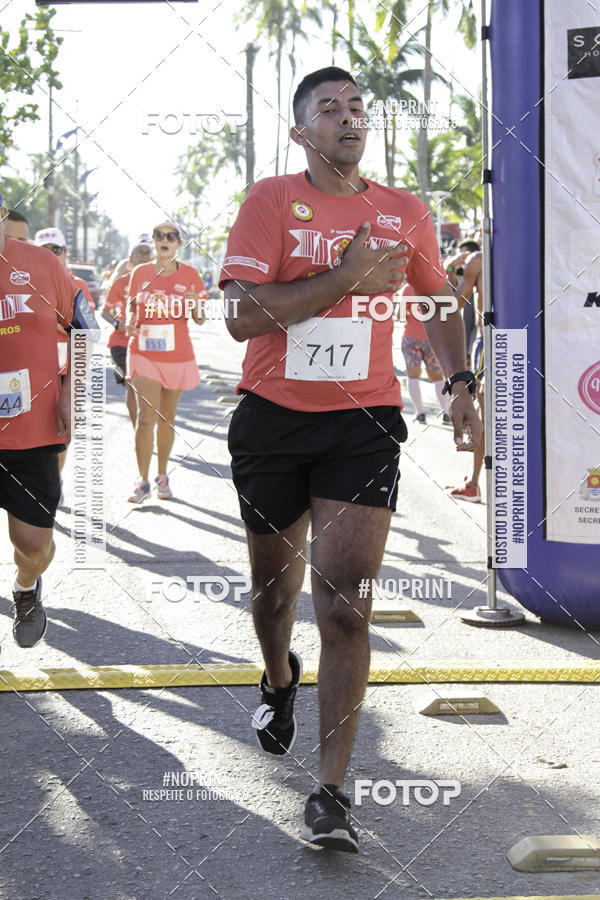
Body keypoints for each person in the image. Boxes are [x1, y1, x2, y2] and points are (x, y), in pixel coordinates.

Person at [219, 66, 482, 853]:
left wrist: (459, 381)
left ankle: (331, 791)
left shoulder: (405, 212)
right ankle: (276, 677)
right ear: (302, 132)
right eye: (328, 109)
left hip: (363, 424)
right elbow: (238, 316)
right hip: (272, 421)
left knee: (343, 603)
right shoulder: (271, 201)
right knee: (273, 597)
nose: (348, 117)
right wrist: (345, 278)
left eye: (358, 107)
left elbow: (436, 302)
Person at [0, 189, 79, 648]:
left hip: (32, 434)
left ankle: (26, 587)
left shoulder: (41, 265)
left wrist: (71, 386)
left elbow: (83, 327)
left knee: (33, 547)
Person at [125, 221, 206, 503]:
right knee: (146, 417)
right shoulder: (140, 273)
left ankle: (162, 476)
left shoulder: (192, 275)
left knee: (166, 419)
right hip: (143, 352)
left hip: (177, 355)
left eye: (171, 236)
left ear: (179, 244)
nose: (165, 240)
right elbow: (132, 306)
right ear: (154, 241)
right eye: (159, 235)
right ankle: (142, 480)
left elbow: (200, 318)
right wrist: (129, 322)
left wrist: (195, 303)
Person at [34, 227, 97, 504]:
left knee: (64, 434)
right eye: (44, 250)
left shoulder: (78, 285)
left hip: (67, 370)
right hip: (35, 372)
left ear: (65, 253)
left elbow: (87, 331)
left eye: (55, 250)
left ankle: (54, 479)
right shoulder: (24, 280)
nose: (51, 255)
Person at [101, 237, 153, 427]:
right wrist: (117, 323)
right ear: (132, 257)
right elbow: (105, 311)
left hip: (150, 344)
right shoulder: (121, 282)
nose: (145, 256)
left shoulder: (160, 281)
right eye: (141, 252)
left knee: (149, 389)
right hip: (121, 344)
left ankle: (146, 425)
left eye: (148, 252)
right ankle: (137, 430)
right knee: (132, 386)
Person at [447, 250, 484, 502]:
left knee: (487, 414)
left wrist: (449, 269)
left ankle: (473, 483)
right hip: (538, 340)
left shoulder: (479, 259)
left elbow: (452, 304)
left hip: (494, 341)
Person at [399, 283, 450, 425]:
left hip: (410, 336)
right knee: (438, 376)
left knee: (413, 376)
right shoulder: (436, 286)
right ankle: (445, 413)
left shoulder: (408, 288)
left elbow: (400, 315)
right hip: (432, 337)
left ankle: (420, 413)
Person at [445, 239, 481, 366]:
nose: (461, 260)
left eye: (462, 255)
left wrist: (450, 267)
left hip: (483, 338)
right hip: (486, 338)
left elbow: (453, 305)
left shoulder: (476, 261)